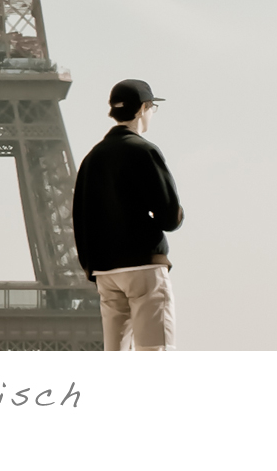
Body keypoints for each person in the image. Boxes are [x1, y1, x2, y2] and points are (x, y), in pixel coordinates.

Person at [72, 79, 183, 351]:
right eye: (152, 107)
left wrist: (92, 268)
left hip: (105, 271)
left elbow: (79, 217)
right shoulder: (144, 151)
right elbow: (170, 217)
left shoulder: (92, 158)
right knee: (155, 350)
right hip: (143, 266)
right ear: (144, 108)